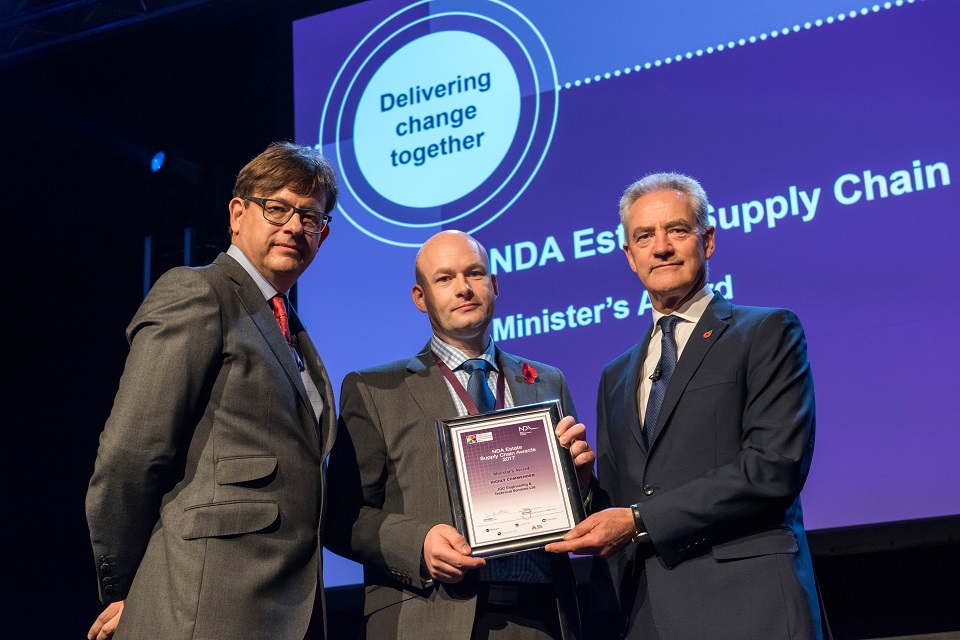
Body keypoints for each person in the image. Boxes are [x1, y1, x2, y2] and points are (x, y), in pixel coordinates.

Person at [546, 172, 827, 639]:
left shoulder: (765, 332)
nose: (661, 247)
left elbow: (773, 468)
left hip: (751, 606)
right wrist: (579, 487)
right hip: (649, 616)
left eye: (677, 230)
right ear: (629, 256)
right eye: (644, 237)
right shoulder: (615, 376)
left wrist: (638, 521)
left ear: (708, 240)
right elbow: (625, 498)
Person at [85, 141, 339, 640]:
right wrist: (130, 584)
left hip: (282, 610)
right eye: (277, 208)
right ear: (238, 214)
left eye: (310, 218)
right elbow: (130, 453)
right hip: (203, 605)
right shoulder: (197, 291)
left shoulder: (295, 334)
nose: (294, 226)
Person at [325, 230, 595, 639]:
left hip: (540, 617)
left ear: (495, 285)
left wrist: (582, 483)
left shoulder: (546, 382)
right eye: (445, 278)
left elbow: (581, 513)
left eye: (475, 274)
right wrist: (418, 544)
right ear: (420, 297)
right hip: (428, 618)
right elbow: (339, 516)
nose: (464, 288)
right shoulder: (375, 389)